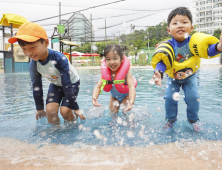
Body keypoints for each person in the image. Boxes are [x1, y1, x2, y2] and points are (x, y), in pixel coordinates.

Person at [151, 7, 222, 132]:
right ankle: (170, 120)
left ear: (191, 28)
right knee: (169, 97)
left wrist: (219, 46)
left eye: (184, 22)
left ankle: (194, 120)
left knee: (193, 97)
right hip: (172, 77)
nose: (180, 26)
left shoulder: (194, 43)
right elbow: (162, 61)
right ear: (168, 30)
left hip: (190, 76)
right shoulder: (168, 46)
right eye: (175, 23)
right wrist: (159, 72)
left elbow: (208, 50)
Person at [8, 22, 86, 124]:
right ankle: (56, 134)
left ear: (46, 43)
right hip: (56, 84)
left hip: (71, 83)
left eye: (32, 47)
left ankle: (73, 129)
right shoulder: (33, 65)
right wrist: (39, 109)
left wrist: (76, 108)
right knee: (50, 111)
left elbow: (66, 84)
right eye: (24, 49)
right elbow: (37, 86)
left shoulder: (59, 59)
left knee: (65, 111)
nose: (28, 53)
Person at [92, 44, 136, 117]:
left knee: (125, 112)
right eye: (108, 59)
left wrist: (131, 100)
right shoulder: (106, 73)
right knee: (112, 113)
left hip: (126, 95)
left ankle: (130, 125)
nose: (112, 62)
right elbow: (98, 87)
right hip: (114, 96)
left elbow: (131, 87)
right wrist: (94, 97)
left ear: (121, 59)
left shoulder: (126, 73)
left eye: (115, 58)